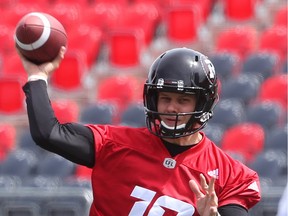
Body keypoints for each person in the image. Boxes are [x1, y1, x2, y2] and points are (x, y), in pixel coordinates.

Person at [18, 46, 261, 216]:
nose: (170, 108)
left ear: (202, 104)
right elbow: (47, 133)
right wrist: (38, 76)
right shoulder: (114, 145)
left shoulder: (230, 174)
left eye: (182, 100)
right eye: (164, 98)